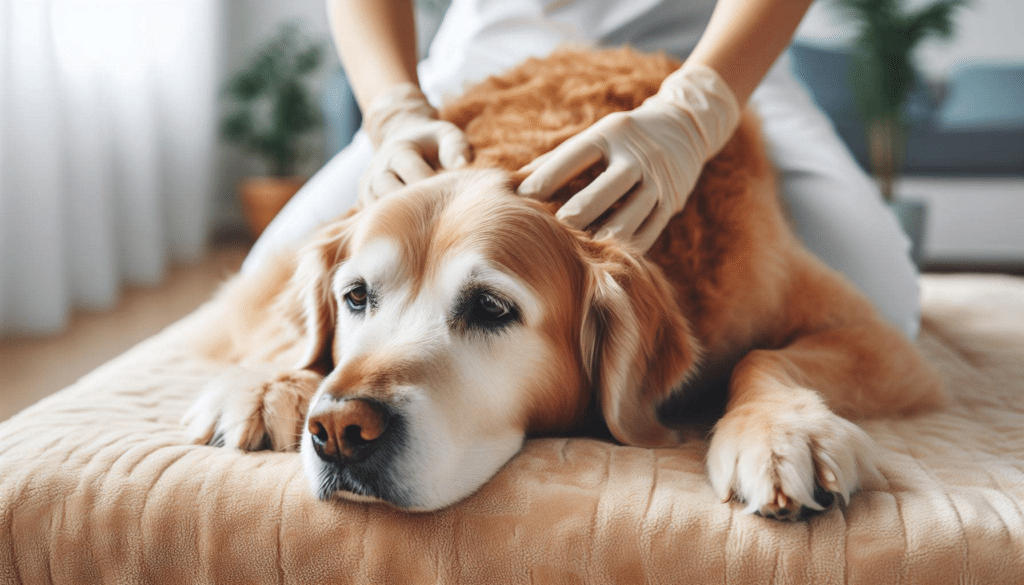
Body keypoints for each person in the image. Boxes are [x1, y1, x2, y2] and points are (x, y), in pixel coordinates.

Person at [244, 0, 921, 338]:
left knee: (883, 305)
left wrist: (697, 109)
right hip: (489, 49)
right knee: (266, 297)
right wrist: (392, 109)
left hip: (707, 50)